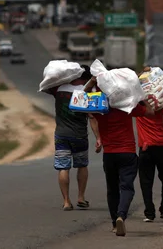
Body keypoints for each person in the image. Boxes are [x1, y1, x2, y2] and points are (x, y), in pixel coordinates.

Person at [91, 91, 155, 237]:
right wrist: (142, 97)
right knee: (127, 187)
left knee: (112, 189)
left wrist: (92, 82)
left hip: (109, 154)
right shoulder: (127, 106)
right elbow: (151, 112)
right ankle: (121, 216)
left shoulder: (100, 108)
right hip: (127, 153)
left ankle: (114, 223)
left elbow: (82, 100)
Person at [43, 66, 101, 211]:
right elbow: (92, 116)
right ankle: (81, 197)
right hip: (80, 136)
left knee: (63, 167)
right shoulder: (86, 92)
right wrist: (98, 138)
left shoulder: (59, 89)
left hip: (61, 135)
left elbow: (45, 86)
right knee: (82, 165)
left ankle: (67, 201)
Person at [136, 106, 163, 223]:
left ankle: (149, 213)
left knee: (146, 182)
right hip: (162, 146)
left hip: (145, 148)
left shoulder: (139, 106)